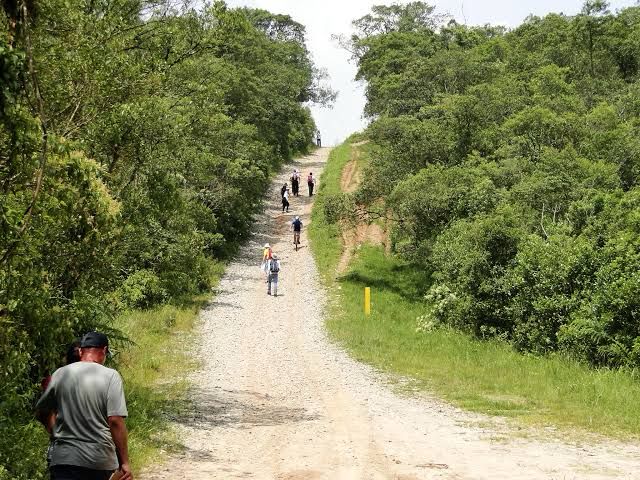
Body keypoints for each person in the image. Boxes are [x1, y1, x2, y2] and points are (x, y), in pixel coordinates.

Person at [35, 332, 132, 480]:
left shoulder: (60, 373)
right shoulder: (111, 376)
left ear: (81, 351)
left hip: (64, 459)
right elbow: (114, 420)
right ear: (104, 350)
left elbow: (43, 410)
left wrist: (55, 432)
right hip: (98, 460)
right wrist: (125, 462)